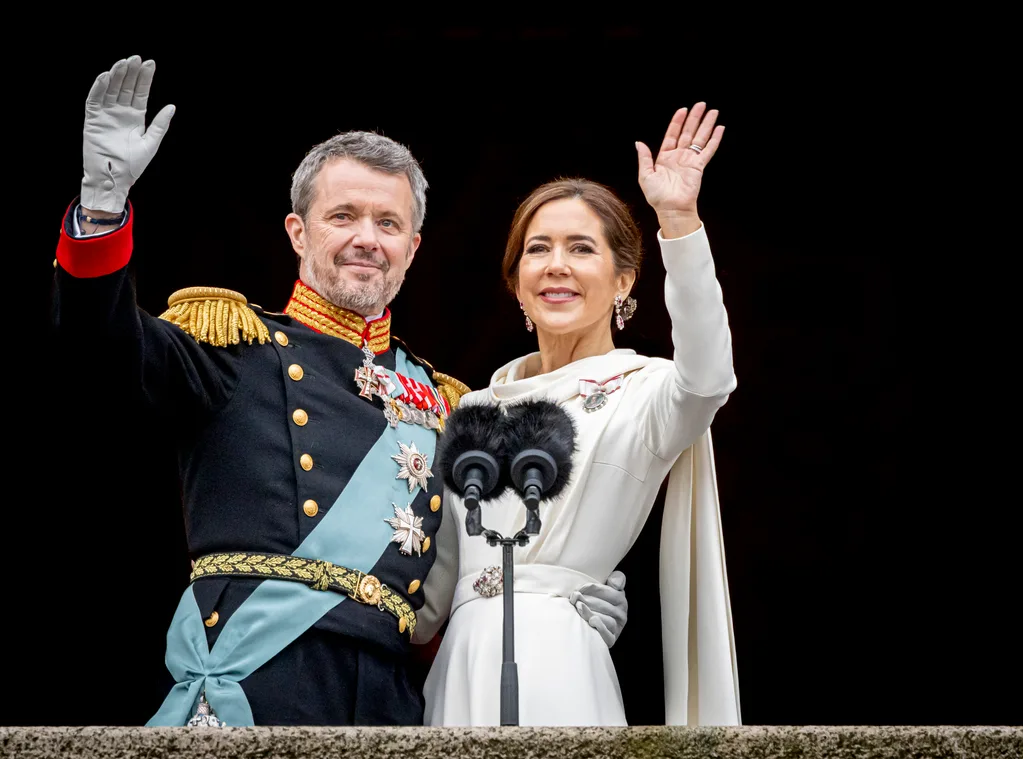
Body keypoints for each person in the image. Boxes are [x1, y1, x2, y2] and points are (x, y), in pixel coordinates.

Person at [50, 55, 629, 727]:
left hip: (389, 693)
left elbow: (479, 563)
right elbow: (97, 349)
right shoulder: (232, 343)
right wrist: (101, 207)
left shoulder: (448, 404)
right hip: (257, 677)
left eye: (387, 224)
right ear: (299, 232)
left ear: (412, 248)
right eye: (343, 216)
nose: (366, 239)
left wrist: (552, 600)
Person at [422, 103, 741, 726]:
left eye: (581, 248)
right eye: (537, 249)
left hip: (559, 659)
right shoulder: (471, 408)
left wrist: (678, 222)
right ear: (517, 283)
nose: (556, 265)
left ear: (625, 280)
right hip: (458, 664)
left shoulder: (646, 392)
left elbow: (709, 376)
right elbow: (433, 586)